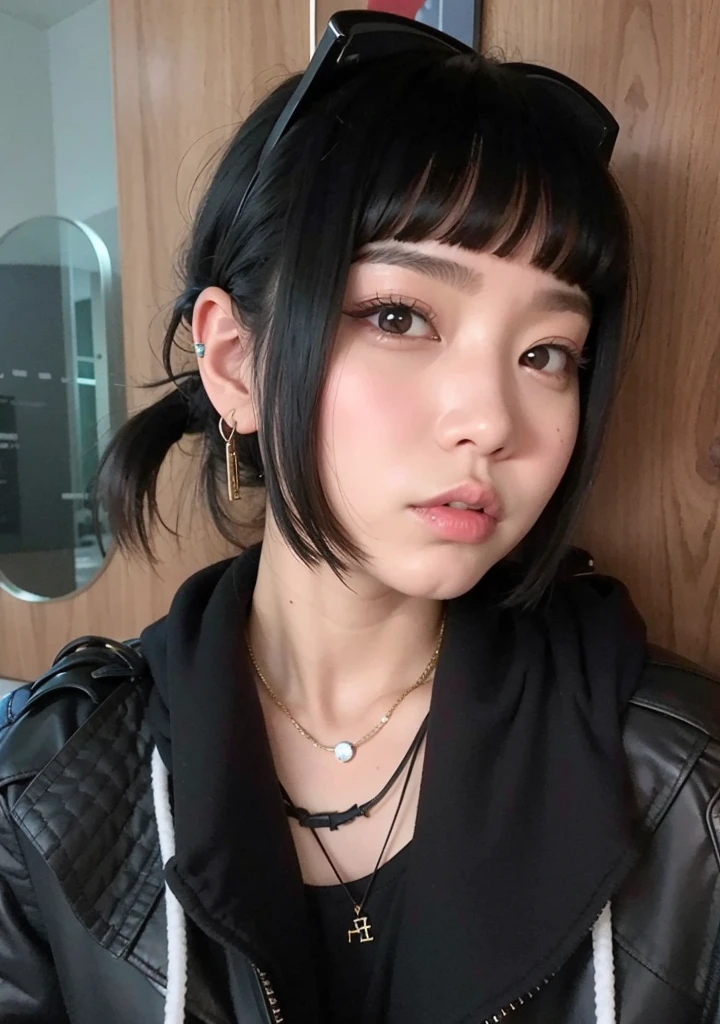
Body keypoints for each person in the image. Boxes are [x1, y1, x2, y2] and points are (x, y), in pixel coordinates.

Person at [1, 11, 719, 1024]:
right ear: (236, 362)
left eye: (546, 353)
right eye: (399, 316)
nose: (491, 421)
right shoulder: (53, 786)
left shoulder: (684, 781)